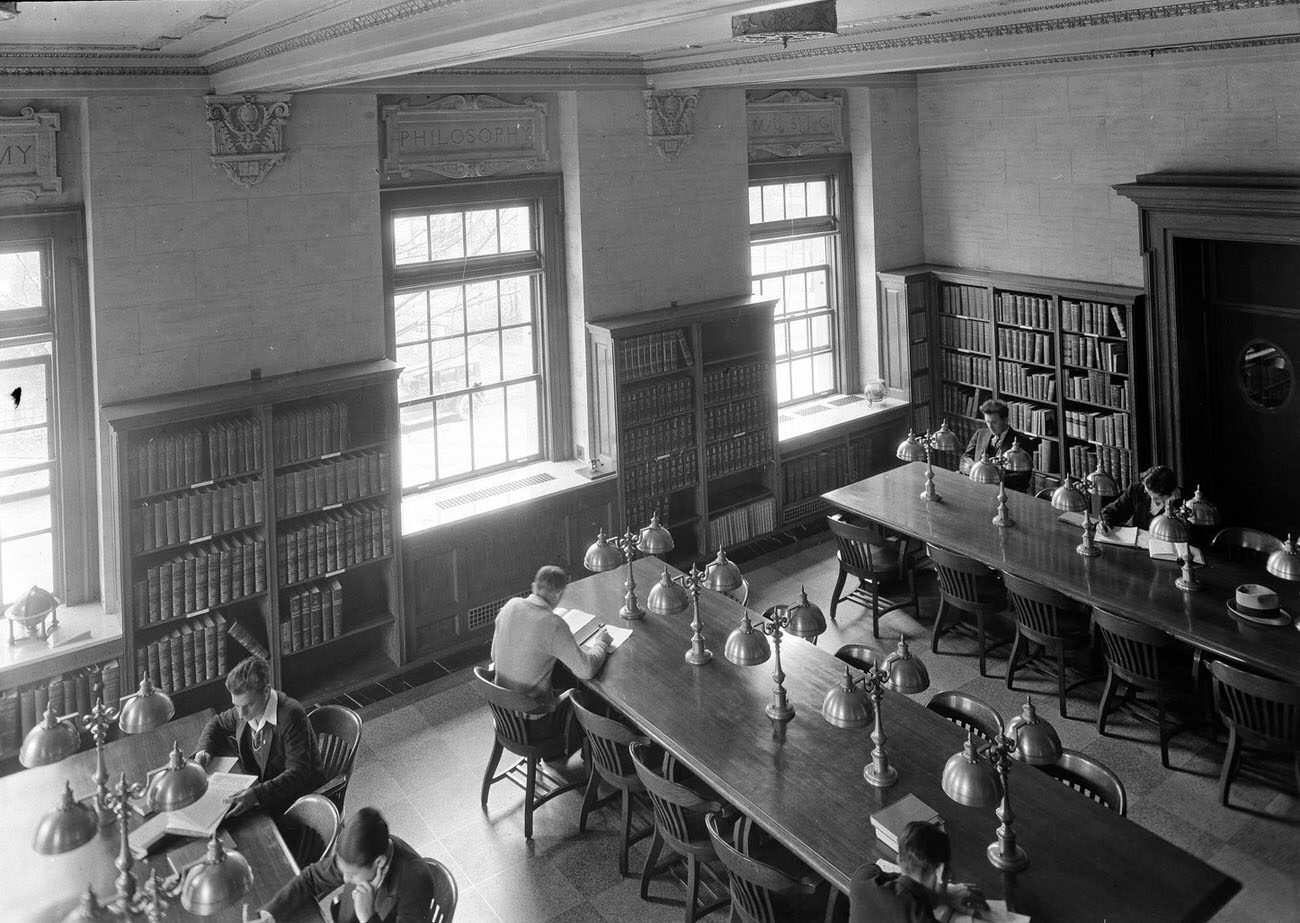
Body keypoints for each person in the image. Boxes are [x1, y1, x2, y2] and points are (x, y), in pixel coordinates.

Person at [490, 564, 612, 752]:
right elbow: (586, 670)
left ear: (534, 587)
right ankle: (595, 764)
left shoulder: (511, 606)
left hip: (504, 714)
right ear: (558, 594)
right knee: (594, 701)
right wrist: (601, 643)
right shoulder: (553, 624)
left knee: (560, 674)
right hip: (536, 724)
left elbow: (494, 655)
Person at [254, 806, 435, 923]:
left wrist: (367, 917)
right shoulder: (357, 855)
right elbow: (311, 879)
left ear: (379, 861)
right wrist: (270, 915)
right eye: (343, 870)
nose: (345, 878)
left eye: (353, 875)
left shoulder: (416, 881)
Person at [193, 655, 322, 817]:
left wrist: (256, 794)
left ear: (266, 691)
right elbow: (217, 723)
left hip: (293, 801)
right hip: (257, 784)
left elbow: (298, 773)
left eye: (247, 705)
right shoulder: (244, 708)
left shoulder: (291, 716)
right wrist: (203, 751)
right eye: (236, 706)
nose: (241, 714)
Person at [849, 821, 988, 923]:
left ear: (899, 861)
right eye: (948, 871)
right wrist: (942, 895)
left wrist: (943, 894)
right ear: (940, 872)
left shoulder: (862, 880)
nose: (951, 876)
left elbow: (897, 879)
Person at [961, 399, 1035, 492]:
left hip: (1007, 492)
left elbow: (1023, 477)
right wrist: (967, 467)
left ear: (1005, 420)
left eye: (994, 422)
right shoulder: (980, 434)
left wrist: (993, 477)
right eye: (987, 422)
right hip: (977, 489)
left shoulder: (1022, 441)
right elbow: (965, 457)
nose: (990, 427)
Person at [1099, 464, 1182, 533]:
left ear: (1169, 493)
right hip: (1139, 546)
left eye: (1156, 498)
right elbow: (1110, 511)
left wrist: (1173, 507)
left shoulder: (1181, 503)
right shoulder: (1137, 490)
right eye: (1147, 492)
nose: (1152, 498)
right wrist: (1105, 523)